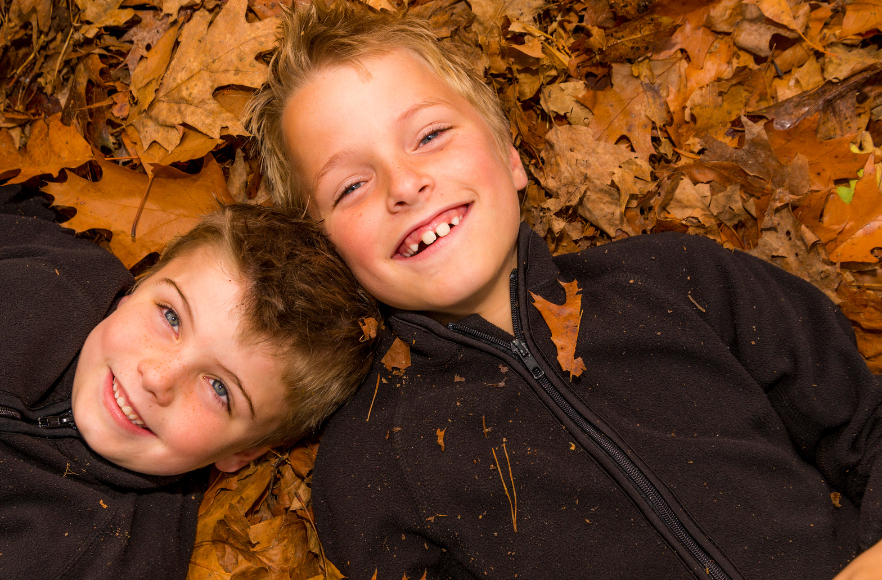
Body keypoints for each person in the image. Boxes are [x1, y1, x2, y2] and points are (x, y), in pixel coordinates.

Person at [245, 2, 882, 578]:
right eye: (350, 186)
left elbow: (867, 423)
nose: (404, 185)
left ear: (509, 154)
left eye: (430, 136)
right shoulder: (370, 468)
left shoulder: (682, 280)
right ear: (326, 252)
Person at [0, 63, 379, 579]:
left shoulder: (115, 556)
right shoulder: (60, 278)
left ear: (244, 453)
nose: (158, 376)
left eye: (219, 389)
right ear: (138, 285)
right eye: (171, 316)